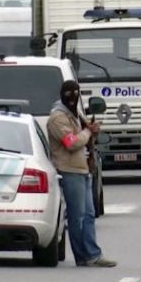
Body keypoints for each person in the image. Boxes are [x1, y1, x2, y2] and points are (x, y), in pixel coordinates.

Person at [46, 80, 116, 267]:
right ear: (62, 94)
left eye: (76, 93)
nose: (73, 96)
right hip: (69, 169)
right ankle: (82, 256)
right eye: (69, 93)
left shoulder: (74, 113)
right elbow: (72, 143)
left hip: (83, 168)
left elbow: (86, 134)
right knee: (77, 216)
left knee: (89, 214)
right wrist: (87, 132)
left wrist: (92, 131)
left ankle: (92, 253)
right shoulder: (57, 117)